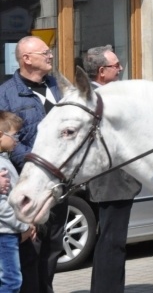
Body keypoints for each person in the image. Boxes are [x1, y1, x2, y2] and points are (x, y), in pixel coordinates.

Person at [0, 35, 66, 293]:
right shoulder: (6, 95)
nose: (50, 55)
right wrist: (43, 164)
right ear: (26, 59)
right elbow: (8, 141)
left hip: (59, 184)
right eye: (45, 52)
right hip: (28, 185)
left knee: (52, 248)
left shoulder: (59, 86)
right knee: (30, 252)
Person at [84, 46, 142, 293]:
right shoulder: (99, 99)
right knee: (112, 243)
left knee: (109, 241)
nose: (120, 69)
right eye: (115, 65)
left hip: (113, 180)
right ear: (101, 71)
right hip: (111, 180)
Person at [0, 111, 35, 293]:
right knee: (11, 281)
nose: (17, 140)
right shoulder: (1, 166)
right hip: (5, 234)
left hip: (10, 231)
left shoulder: (5, 161)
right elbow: (2, 206)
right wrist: (23, 226)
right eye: (14, 135)